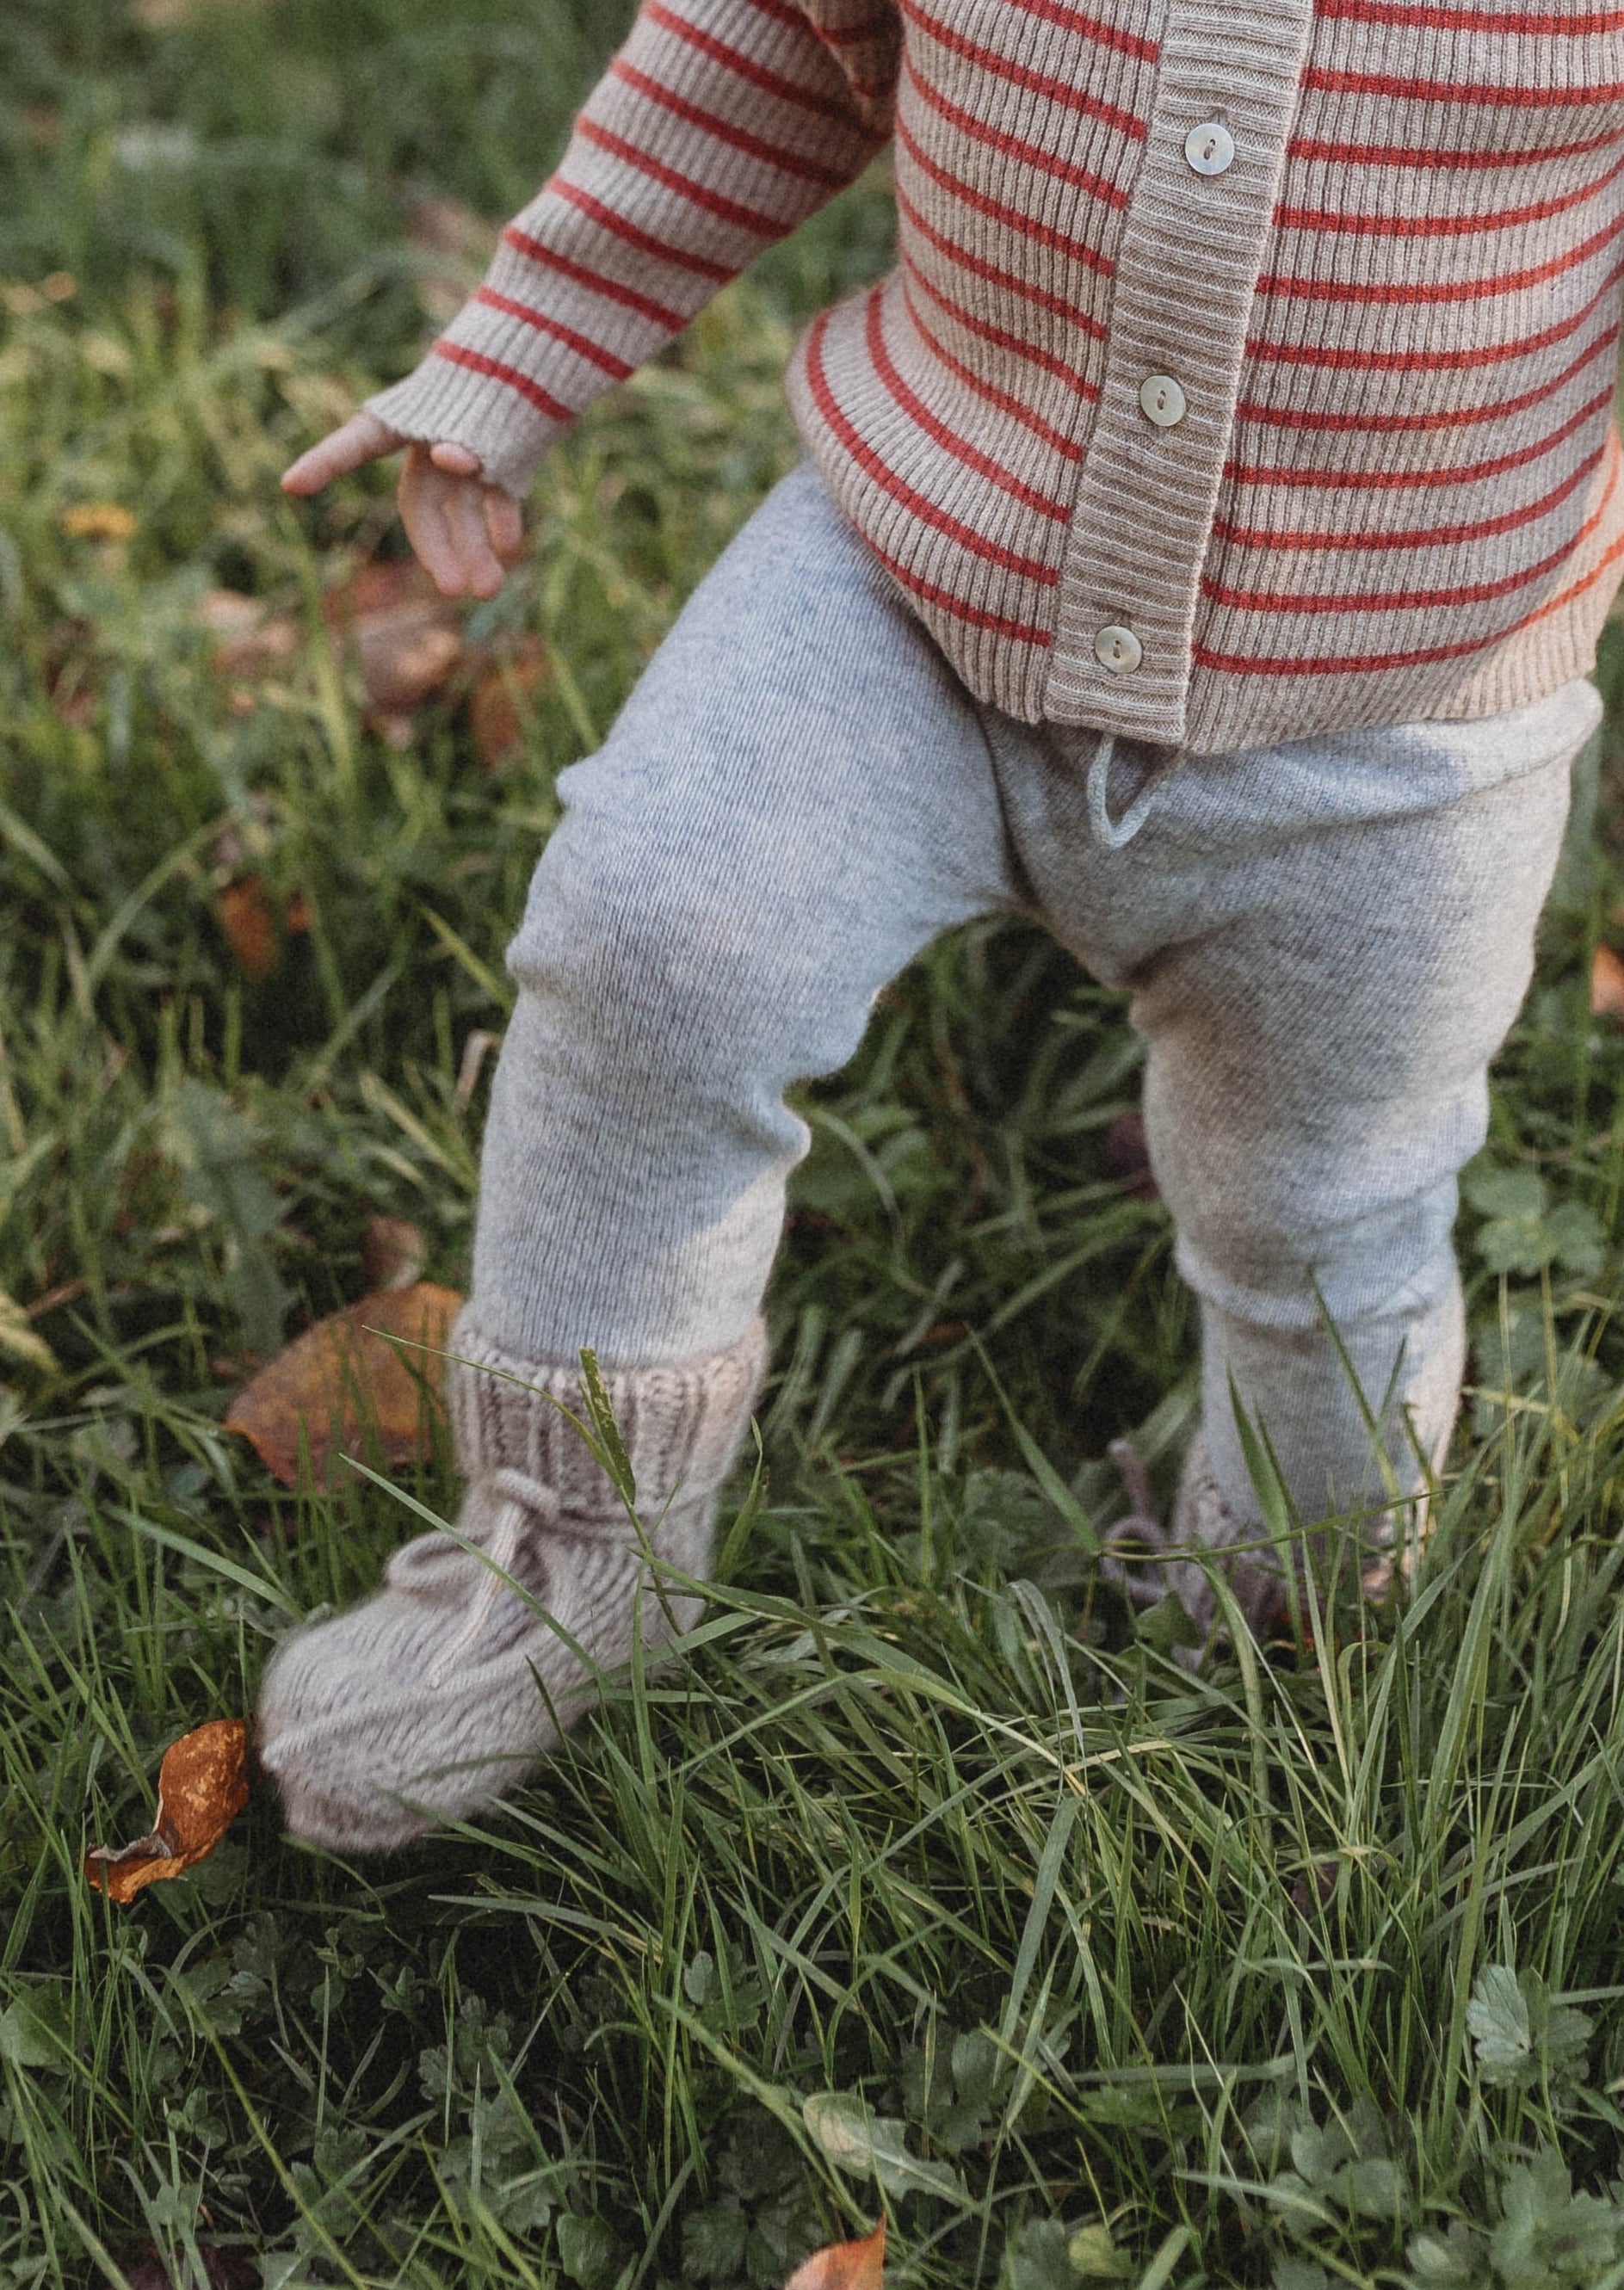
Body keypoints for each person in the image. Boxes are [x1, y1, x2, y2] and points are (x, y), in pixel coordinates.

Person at [256, 0, 1621, 1848]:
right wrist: (527, 342)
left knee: (1319, 1205)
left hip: (1390, 730)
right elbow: (763, 39)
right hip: (915, 571)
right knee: (659, 936)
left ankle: (1289, 1624)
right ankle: (571, 1550)